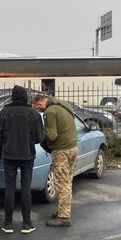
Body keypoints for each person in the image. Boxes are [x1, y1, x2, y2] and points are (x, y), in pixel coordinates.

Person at [0, 85, 44, 234]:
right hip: (27, 154)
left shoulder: (3, 113)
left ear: (12, 96)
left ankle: (8, 223)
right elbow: (40, 137)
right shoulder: (33, 114)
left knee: (10, 188)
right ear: (25, 97)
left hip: (9, 155)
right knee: (25, 189)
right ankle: (27, 223)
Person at [32, 94, 79, 227]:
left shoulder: (49, 112)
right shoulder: (64, 104)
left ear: (39, 105)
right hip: (73, 147)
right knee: (68, 180)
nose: (39, 111)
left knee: (61, 183)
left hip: (61, 151)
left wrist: (39, 133)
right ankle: (63, 210)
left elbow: (51, 136)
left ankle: (63, 217)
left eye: (37, 109)